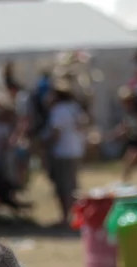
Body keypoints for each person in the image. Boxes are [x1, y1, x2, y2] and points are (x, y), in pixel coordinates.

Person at [47, 81, 87, 225]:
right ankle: (76, 215)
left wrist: (45, 144)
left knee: (63, 186)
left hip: (62, 152)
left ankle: (65, 217)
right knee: (73, 185)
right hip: (75, 150)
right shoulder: (75, 108)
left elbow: (56, 132)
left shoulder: (58, 110)